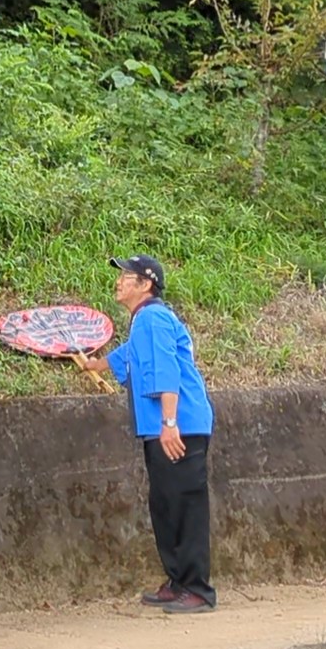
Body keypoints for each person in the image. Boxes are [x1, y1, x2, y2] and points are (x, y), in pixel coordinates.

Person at [83, 255, 218, 614]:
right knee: (166, 504)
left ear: (145, 284)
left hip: (179, 426)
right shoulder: (143, 321)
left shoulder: (152, 318)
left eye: (126, 276)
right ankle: (178, 581)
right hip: (164, 428)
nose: (119, 282)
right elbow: (128, 357)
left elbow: (165, 369)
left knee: (185, 506)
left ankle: (197, 589)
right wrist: (94, 364)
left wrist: (170, 423)